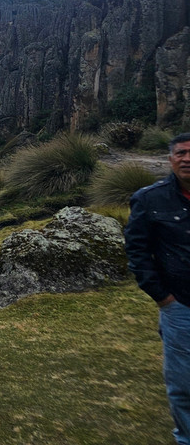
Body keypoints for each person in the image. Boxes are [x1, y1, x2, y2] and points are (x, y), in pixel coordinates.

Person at [125, 132, 190, 444]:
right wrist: (163, 298)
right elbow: (137, 251)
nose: (187, 159)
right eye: (181, 153)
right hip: (180, 306)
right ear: (170, 159)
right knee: (183, 385)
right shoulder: (150, 198)